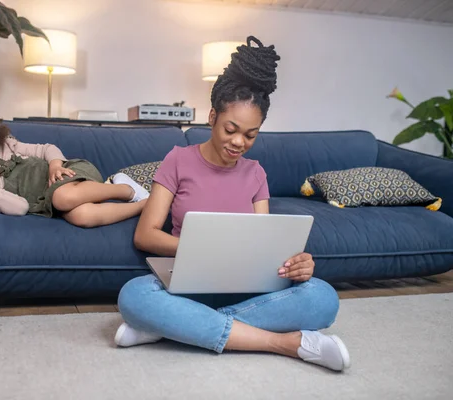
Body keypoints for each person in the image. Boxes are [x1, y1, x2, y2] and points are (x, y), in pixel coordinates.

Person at [114, 36, 351, 372]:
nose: (239, 142)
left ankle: (174, 328)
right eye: (231, 129)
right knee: (134, 295)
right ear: (212, 116)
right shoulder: (177, 160)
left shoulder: (256, 174)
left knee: (323, 297)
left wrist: (295, 265)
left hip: (247, 291)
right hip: (187, 286)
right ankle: (283, 343)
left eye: (251, 135)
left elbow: (266, 247)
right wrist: (197, 250)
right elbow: (145, 234)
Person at [0, 100, 149, 227]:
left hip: (66, 175)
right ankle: (142, 205)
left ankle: (124, 188)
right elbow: (21, 207)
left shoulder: (9, 147)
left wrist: (54, 164)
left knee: (63, 196)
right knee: (81, 217)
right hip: (50, 203)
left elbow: (46, 148)